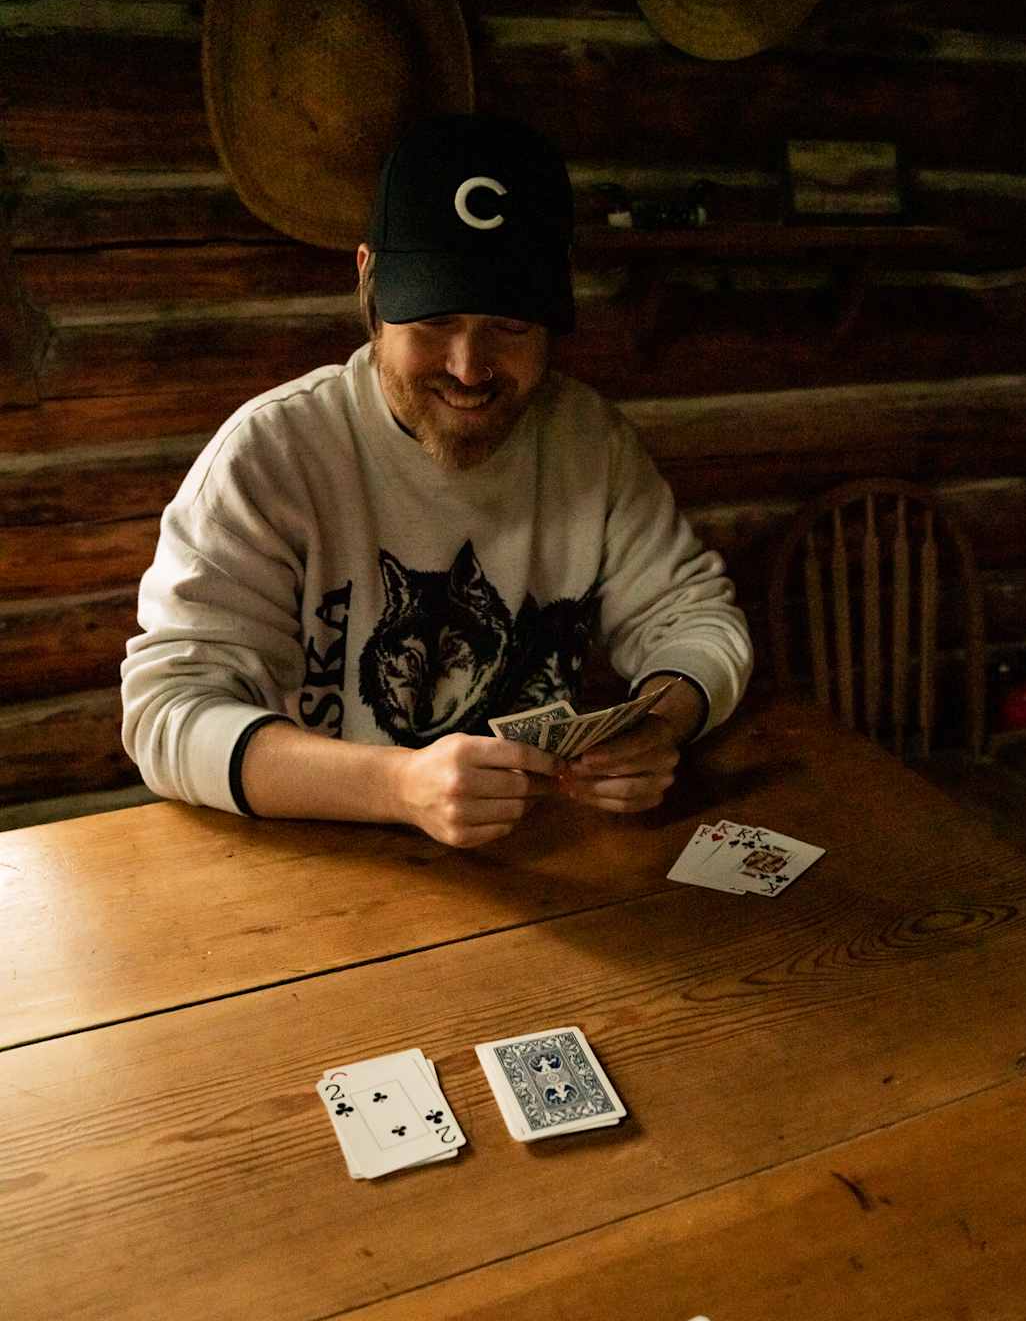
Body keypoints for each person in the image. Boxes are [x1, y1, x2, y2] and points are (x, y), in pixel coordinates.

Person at [120, 113, 752, 847]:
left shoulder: (590, 441)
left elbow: (697, 617)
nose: (469, 367)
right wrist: (395, 786)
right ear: (370, 287)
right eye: (434, 319)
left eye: (510, 327)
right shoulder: (271, 455)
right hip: (327, 863)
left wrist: (659, 722)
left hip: (544, 859)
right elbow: (166, 715)